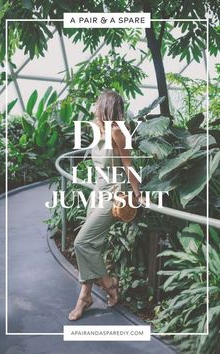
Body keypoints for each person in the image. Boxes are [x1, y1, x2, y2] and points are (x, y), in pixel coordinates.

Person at [68, 90, 144, 321]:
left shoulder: (118, 132)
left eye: (96, 101)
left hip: (114, 191)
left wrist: (137, 194)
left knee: (82, 242)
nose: (92, 104)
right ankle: (86, 295)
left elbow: (128, 165)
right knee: (94, 244)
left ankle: (108, 284)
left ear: (104, 105)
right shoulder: (99, 129)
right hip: (99, 189)